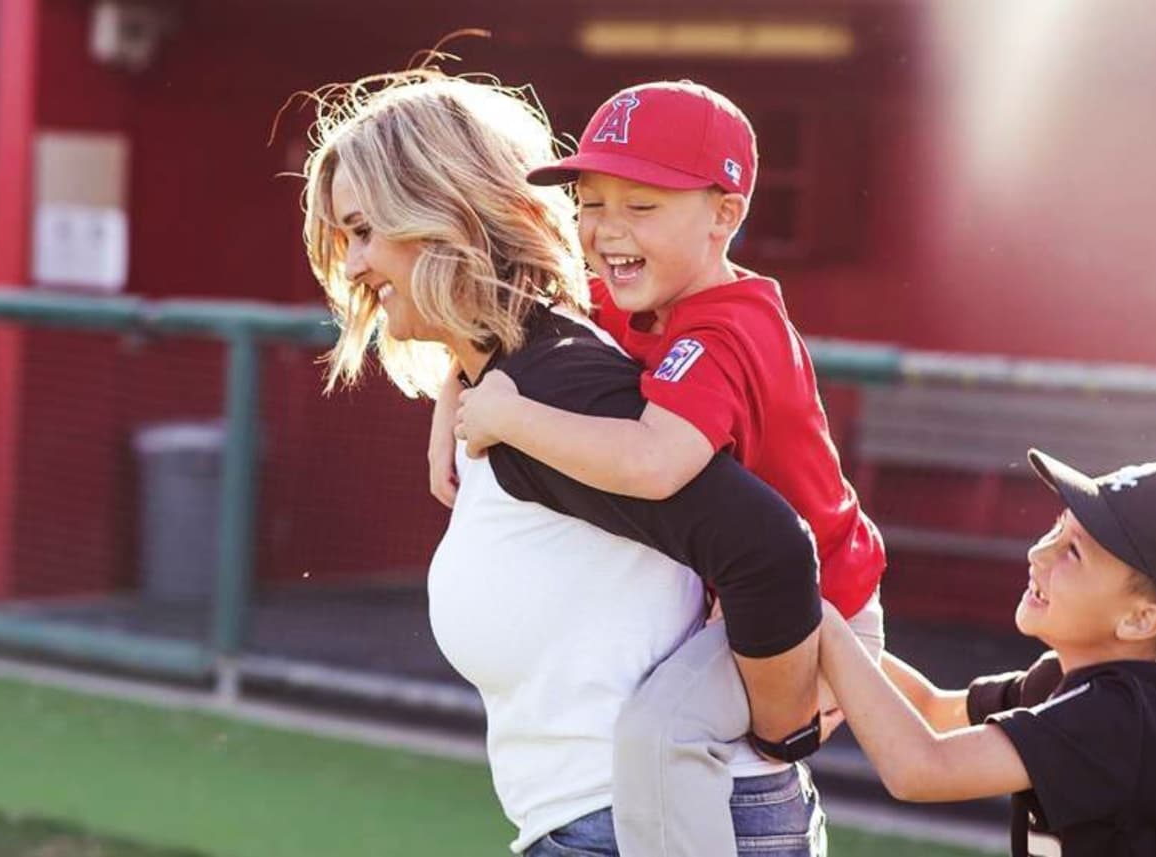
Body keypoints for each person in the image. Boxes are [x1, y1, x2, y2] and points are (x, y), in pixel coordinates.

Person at [300, 69, 826, 855]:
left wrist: (787, 728)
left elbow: (768, 547)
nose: (354, 266)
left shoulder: (552, 383)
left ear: (444, 216)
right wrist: (458, 384)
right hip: (610, 821)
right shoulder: (521, 371)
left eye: (365, 231)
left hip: (655, 823)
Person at [436, 80, 885, 855]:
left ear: (725, 213)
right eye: (590, 203)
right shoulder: (639, 291)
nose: (607, 230)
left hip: (821, 611)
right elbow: (519, 318)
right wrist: (455, 389)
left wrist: (508, 417)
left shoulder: (725, 329)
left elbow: (654, 464)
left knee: (657, 730)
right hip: (760, 603)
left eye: (641, 206)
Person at [819, 448, 1156, 856]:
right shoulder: (1072, 683)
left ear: (1140, 621)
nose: (1039, 552)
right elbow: (933, 711)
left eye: (1073, 551)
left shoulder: (1123, 717)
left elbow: (920, 768)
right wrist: (846, 631)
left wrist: (821, 624)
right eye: (1057, 528)